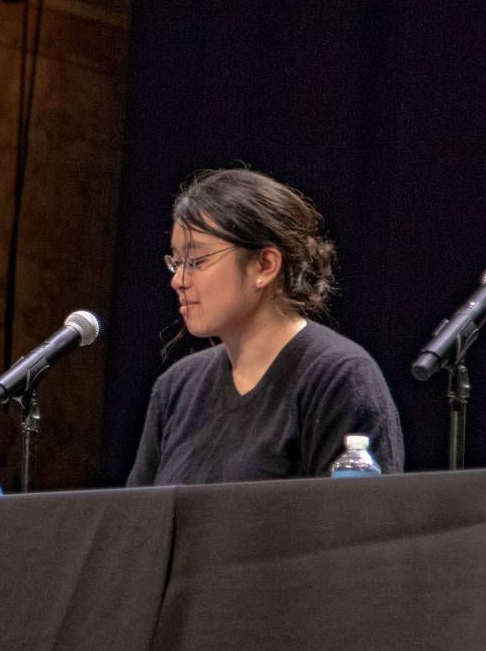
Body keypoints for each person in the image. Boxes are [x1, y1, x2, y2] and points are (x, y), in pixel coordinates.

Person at [127, 168, 403, 485]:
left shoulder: (338, 377)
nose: (178, 280)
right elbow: (140, 524)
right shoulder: (175, 388)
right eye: (176, 262)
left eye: (197, 261)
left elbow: (360, 525)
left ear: (265, 265)